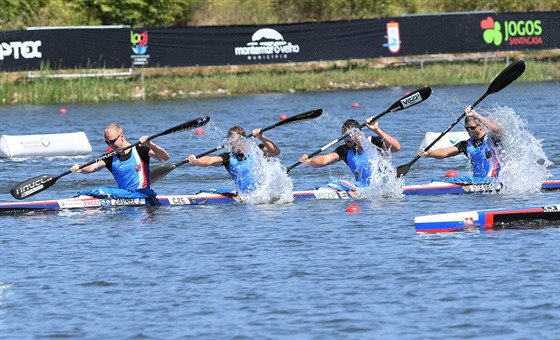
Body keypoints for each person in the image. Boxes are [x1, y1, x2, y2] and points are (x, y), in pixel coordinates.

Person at [70, 123, 170, 198]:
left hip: (143, 194)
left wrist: (150, 144)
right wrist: (79, 168)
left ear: (121, 136)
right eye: (107, 142)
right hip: (125, 195)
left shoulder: (139, 149)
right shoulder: (110, 157)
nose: (110, 145)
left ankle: (82, 195)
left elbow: (164, 158)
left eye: (112, 141)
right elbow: (91, 168)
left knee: (99, 190)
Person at [298, 117, 401, 188]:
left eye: (348, 136)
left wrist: (376, 129)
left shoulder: (374, 142)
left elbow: (396, 147)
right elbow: (325, 160)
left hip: (384, 187)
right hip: (361, 190)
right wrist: (310, 161)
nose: (346, 140)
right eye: (344, 137)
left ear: (358, 133)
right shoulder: (345, 150)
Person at [187, 125, 280, 192]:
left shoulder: (256, 150)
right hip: (246, 197)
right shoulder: (228, 157)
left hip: (265, 194)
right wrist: (196, 161)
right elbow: (210, 160)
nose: (233, 144)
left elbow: (275, 152)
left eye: (236, 141)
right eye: (231, 141)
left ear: (243, 140)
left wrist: (262, 137)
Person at [418, 106, 501, 181]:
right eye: (467, 128)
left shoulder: (491, 139)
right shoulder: (466, 145)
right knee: (442, 180)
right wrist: (428, 153)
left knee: (460, 179)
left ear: (480, 126)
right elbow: (445, 152)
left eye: (472, 128)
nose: (469, 131)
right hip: (476, 182)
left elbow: (497, 130)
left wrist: (476, 115)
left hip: (494, 181)